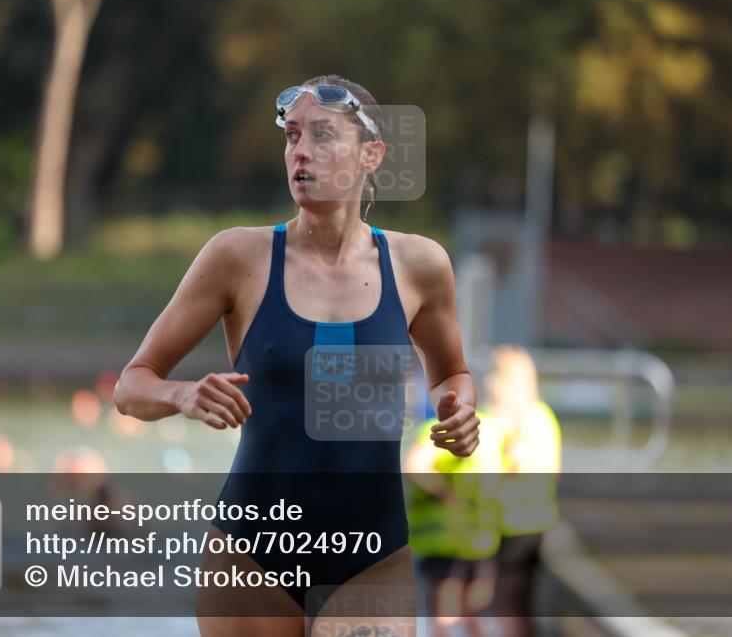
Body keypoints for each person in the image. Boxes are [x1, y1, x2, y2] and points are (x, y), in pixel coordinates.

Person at [114, 74, 481, 637]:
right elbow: (131, 385)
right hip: (252, 558)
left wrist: (459, 407)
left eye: (322, 135)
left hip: (372, 558)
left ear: (371, 155)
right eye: (291, 136)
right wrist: (183, 394)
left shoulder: (419, 265)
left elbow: (451, 372)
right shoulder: (238, 256)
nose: (300, 152)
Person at [404, 408, 505, 637]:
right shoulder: (494, 429)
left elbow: (415, 467)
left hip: (449, 539)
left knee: (449, 615)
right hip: (477, 539)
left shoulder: (438, 429)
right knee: (475, 613)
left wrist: (446, 493)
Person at [485, 346, 561, 637]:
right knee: (518, 604)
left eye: (494, 376)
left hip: (513, 525)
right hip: (532, 520)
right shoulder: (542, 415)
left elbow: (511, 467)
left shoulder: (520, 420)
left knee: (508, 605)